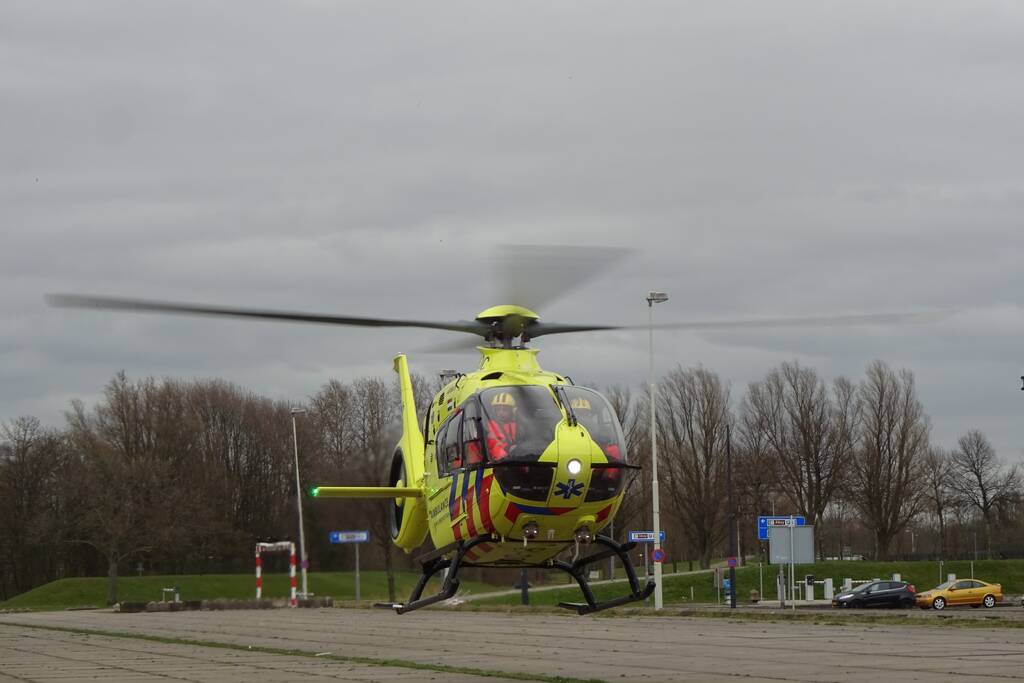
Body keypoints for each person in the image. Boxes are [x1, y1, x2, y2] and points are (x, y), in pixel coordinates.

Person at [486, 392, 518, 460]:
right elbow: (493, 445)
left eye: (505, 410)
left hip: (517, 459)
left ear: (511, 411)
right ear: (494, 411)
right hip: (499, 462)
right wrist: (507, 448)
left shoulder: (516, 425)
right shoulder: (490, 425)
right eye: (498, 409)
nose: (501, 412)